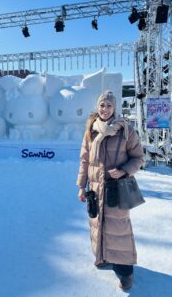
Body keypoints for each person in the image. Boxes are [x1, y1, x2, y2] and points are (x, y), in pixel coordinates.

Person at [76, 90, 144, 290]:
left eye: (109, 105)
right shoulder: (91, 129)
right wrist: (81, 186)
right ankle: (103, 256)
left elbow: (139, 158)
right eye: (102, 105)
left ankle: (125, 273)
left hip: (117, 188)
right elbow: (84, 160)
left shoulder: (125, 130)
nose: (105, 109)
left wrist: (123, 171)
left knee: (119, 228)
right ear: (98, 107)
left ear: (115, 108)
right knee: (98, 224)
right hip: (95, 189)